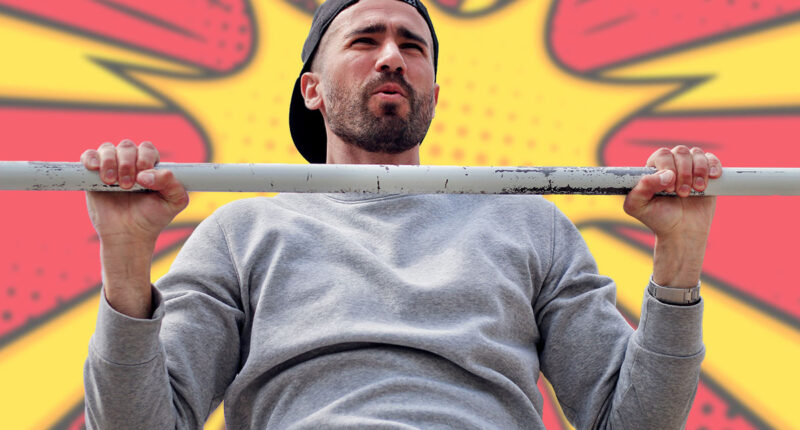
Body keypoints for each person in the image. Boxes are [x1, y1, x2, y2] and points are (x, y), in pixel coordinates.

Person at [81, 0, 721, 428]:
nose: (392, 56)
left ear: (434, 95)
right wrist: (126, 258)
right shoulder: (240, 234)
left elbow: (633, 422)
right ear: (313, 89)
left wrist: (680, 260)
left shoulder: (530, 225)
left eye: (412, 46)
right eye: (365, 40)